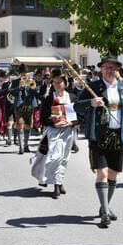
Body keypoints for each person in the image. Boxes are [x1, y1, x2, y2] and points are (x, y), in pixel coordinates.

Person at [74, 52, 123, 228]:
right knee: (102, 173)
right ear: (101, 69)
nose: (109, 70)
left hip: (118, 135)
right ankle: (105, 212)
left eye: (112, 67)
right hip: (99, 135)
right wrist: (91, 103)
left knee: (113, 174)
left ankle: (105, 207)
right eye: (106, 67)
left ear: (117, 69)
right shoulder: (92, 87)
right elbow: (77, 106)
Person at [31, 69, 78, 198]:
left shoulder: (72, 97)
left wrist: (71, 123)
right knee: (55, 157)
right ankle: (56, 186)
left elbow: (79, 116)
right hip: (53, 132)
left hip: (68, 131)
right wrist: (53, 123)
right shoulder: (50, 98)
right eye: (55, 82)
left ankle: (59, 181)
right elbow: (42, 118)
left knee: (64, 158)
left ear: (65, 83)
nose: (57, 84)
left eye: (60, 82)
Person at [10, 64, 39, 154]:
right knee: (20, 125)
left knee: (28, 126)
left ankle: (26, 145)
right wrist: (19, 87)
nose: (24, 74)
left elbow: (36, 93)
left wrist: (32, 86)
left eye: (25, 73)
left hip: (29, 105)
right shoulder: (15, 82)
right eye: (22, 73)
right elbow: (12, 93)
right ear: (20, 73)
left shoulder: (32, 81)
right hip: (19, 106)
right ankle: (21, 146)